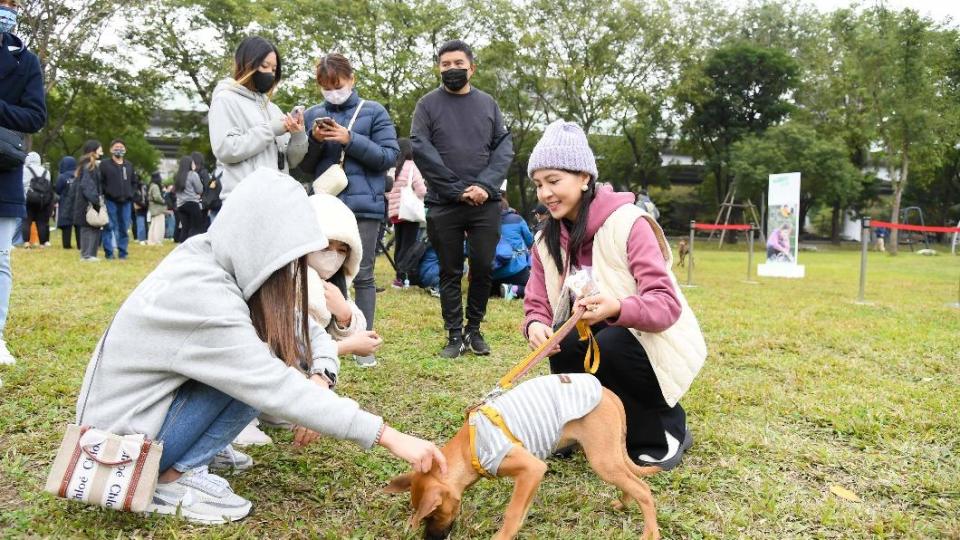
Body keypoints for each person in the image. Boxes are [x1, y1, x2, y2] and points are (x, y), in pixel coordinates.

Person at [74, 168, 445, 523]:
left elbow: (306, 332)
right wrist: (389, 436)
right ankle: (168, 480)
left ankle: (186, 458)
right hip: (120, 453)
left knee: (270, 357)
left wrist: (322, 373)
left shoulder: (208, 255)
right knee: (266, 370)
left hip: (127, 424)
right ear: (263, 241)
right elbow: (272, 384)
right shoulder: (208, 300)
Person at [523, 120, 703, 471]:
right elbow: (536, 302)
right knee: (568, 338)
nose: (545, 193)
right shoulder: (546, 239)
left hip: (646, 338)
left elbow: (666, 304)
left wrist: (617, 307)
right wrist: (535, 325)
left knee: (613, 342)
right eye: (538, 184)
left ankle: (662, 430)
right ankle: (580, 429)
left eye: (554, 181)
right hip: (600, 334)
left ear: (584, 178)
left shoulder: (629, 223)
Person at [411, 39, 514, 358]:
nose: (452, 69)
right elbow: (420, 148)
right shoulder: (426, 105)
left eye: (458, 63)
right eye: (445, 64)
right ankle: (454, 334)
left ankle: (475, 330)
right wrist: (456, 189)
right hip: (444, 202)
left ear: (472, 67)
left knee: (483, 266)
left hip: (486, 202)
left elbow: (504, 147)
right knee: (449, 270)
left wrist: (485, 185)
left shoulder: (488, 104)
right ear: (438, 68)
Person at [299, 53, 399, 368]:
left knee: (364, 273)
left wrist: (350, 139)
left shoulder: (373, 111)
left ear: (351, 79)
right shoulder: (313, 115)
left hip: (363, 206)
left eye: (338, 85)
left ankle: (363, 343)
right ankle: (322, 338)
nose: (333, 92)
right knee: (317, 270)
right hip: (325, 207)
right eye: (326, 87)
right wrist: (313, 142)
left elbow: (389, 156)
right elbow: (303, 166)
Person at [0, 0, 46, 367]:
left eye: (12, 5)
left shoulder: (26, 61)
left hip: (3, 170)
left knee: (0, 257)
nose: (6, 10)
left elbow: (35, 116)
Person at [208, 36, 307, 203]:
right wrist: (271, 129)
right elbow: (225, 149)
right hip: (244, 201)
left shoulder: (272, 108)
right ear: (247, 64)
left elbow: (290, 161)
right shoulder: (225, 99)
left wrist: (298, 136)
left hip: (278, 200)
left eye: (274, 69)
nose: (270, 73)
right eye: (264, 66)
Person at [386, 138, 426, 288]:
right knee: (408, 246)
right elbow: (421, 190)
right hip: (409, 212)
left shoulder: (393, 167)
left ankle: (398, 276)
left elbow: (387, 189)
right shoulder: (411, 166)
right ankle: (402, 277)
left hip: (395, 212)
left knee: (400, 244)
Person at [491, 198, 533, 300]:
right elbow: (530, 241)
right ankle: (514, 290)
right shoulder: (517, 219)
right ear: (507, 207)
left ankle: (495, 291)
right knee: (534, 289)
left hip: (493, 272)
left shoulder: (484, 222)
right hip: (517, 271)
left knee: (490, 290)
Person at [99, 138, 135, 260]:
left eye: (121, 147)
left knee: (124, 227)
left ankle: (123, 252)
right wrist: (105, 193)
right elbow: (100, 182)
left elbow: (134, 182)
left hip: (126, 201)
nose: (119, 149)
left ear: (125, 150)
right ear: (110, 150)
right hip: (110, 201)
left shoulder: (129, 165)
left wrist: (131, 193)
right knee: (109, 226)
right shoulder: (104, 165)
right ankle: (109, 253)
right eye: (116, 147)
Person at [72, 140, 105, 262]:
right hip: (87, 202)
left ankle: (92, 254)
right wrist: (96, 199)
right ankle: (86, 255)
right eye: (99, 149)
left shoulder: (90, 165)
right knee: (87, 228)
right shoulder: (88, 166)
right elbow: (87, 185)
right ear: (93, 150)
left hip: (91, 201)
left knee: (94, 227)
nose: (101, 151)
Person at [22, 151, 54, 247]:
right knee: (41, 222)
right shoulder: (46, 171)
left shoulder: (24, 169)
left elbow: (22, 184)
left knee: (27, 221)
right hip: (43, 199)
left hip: (28, 198)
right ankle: (42, 243)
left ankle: (27, 242)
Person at [173, 156, 204, 242]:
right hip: (192, 203)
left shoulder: (177, 176)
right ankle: (194, 246)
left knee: (185, 228)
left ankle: (182, 247)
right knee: (196, 227)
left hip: (180, 205)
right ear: (190, 164)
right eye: (193, 163)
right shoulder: (192, 174)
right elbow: (200, 189)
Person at [54, 156, 79, 249]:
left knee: (66, 224)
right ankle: (80, 244)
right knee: (78, 224)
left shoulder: (62, 176)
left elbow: (58, 189)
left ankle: (67, 244)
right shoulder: (79, 174)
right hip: (78, 203)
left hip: (65, 203)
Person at [146, 171, 166, 245]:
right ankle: (157, 241)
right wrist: (163, 201)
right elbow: (157, 197)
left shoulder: (151, 185)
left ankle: (151, 241)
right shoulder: (155, 186)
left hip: (153, 208)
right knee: (159, 225)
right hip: (158, 208)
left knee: (153, 225)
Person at [131, 170, 148, 245]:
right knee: (141, 222)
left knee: (141, 222)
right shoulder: (140, 187)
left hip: (142, 206)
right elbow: (135, 198)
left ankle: (142, 238)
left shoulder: (138, 187)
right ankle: (141, 238)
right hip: (140, 206)